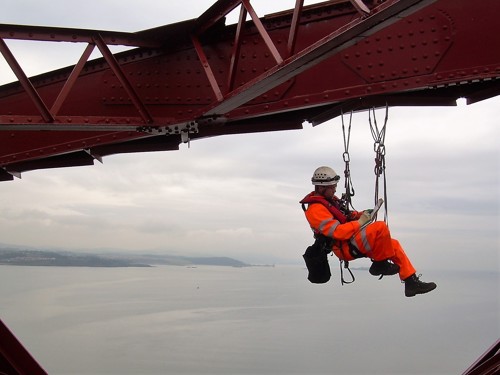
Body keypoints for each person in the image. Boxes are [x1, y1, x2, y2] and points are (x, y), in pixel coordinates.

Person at [300, 166, 436, 297]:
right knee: (380, 227)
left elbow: (345, 215)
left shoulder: (329, 201)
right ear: (321, 187)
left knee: (393, 244)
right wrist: (360, 222)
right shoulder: (316, 210)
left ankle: (411, 282)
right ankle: (379, 264)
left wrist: (362, 214)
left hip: (352, 241)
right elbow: (338, 232)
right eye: (332, 186)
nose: (335, 189)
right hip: (345, 248)